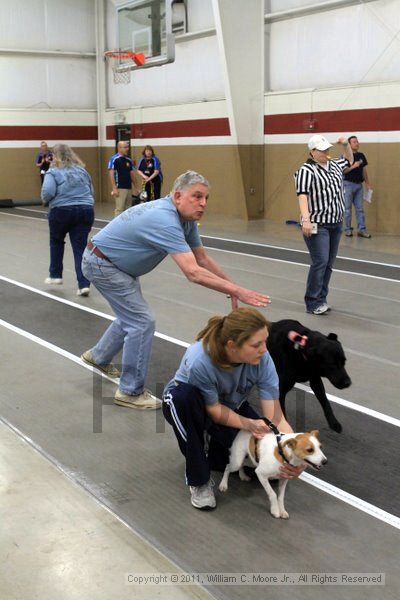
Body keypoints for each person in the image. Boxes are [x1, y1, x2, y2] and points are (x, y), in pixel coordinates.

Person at [80, 171, 270, 411]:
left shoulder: (186, 219)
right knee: (141, 321)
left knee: (131, 316)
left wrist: (232, 287)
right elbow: (192, 272)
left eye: (206, 198)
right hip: (103, 264)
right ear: (178, 195)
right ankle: (129, 391)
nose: (203, 203)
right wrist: (237, 290)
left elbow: (201, 258)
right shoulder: (165, 219)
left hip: (117, 266)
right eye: (197, 196)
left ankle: (98, 356)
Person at [163, 308, 304, 510]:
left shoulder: (262, 358)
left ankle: (214, 450)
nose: (264, 349)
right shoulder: (200, 360)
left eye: (265, 341)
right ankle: (199, 480)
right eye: (256, 344)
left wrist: (293, 455)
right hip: (190, 406)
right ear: (232, 346)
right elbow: (213, 410)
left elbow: (275, 417)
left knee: (233, 461)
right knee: (186, 401)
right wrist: (248, 423)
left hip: (229, 408)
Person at [295, 134, 353, 315]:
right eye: (322, 150)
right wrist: (306, 219)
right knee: (320, 261)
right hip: (318, 224)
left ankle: (322, 298)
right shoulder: (306, 170)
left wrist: (345, 146)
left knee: (328, 263)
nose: (326, 152)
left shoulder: (335, 165)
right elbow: (302, 195)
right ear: (312, 151)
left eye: (327, 148)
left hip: (336, 223)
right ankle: (312, 302)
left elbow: (350, 161)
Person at [41, 144, 95, 296]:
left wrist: (46, 200)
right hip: (85, 210)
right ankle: (84, 284)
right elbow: (91, 191)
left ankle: (55, 275)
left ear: (55, 156)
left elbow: (48, 191)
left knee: (56, 241)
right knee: (80, 248)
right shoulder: (82, 171)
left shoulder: (53, 172)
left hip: (62, 211)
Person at [343, 135, 372, 238]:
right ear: (349, 144)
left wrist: (367, 183)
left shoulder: (361, 155)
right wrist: (353, 166)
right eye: (354, 142)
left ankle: (361, 230)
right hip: (347, 185)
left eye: (357, 141)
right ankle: (347, 229)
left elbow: (364, 170)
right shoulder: (345, 156)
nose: (357, 143)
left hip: (359, 186)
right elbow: (344, 171)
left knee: (360, 209)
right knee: (347, 209)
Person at [108, 141, 137, 216]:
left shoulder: (128, 160)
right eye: (125, 147)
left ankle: (127, 227)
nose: (127, 149)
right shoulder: (114, 159)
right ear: (119, 148)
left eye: (128, 147)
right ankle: (117, 227)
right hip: (120, 188)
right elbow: (111, 173)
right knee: (120, 209)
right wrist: (114, 188)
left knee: (128, 209)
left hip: (128, 187)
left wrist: (136, 187)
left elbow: (132, 174)